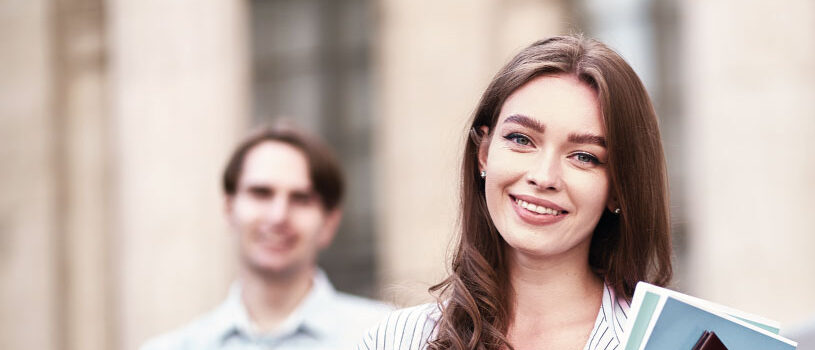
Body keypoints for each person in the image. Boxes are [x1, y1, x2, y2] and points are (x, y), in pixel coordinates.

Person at [359, 34, 673, 350]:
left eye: (584, 156)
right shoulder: (398, 339)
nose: (543, 176)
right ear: (484, 153)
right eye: (522, 139)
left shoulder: (666, 343)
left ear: (618, 189)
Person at [141, 123, 392, 350]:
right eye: (261, 193)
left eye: (301, 198)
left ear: (329, 222)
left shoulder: (390, 338)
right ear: (229, 208)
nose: (278, 216)